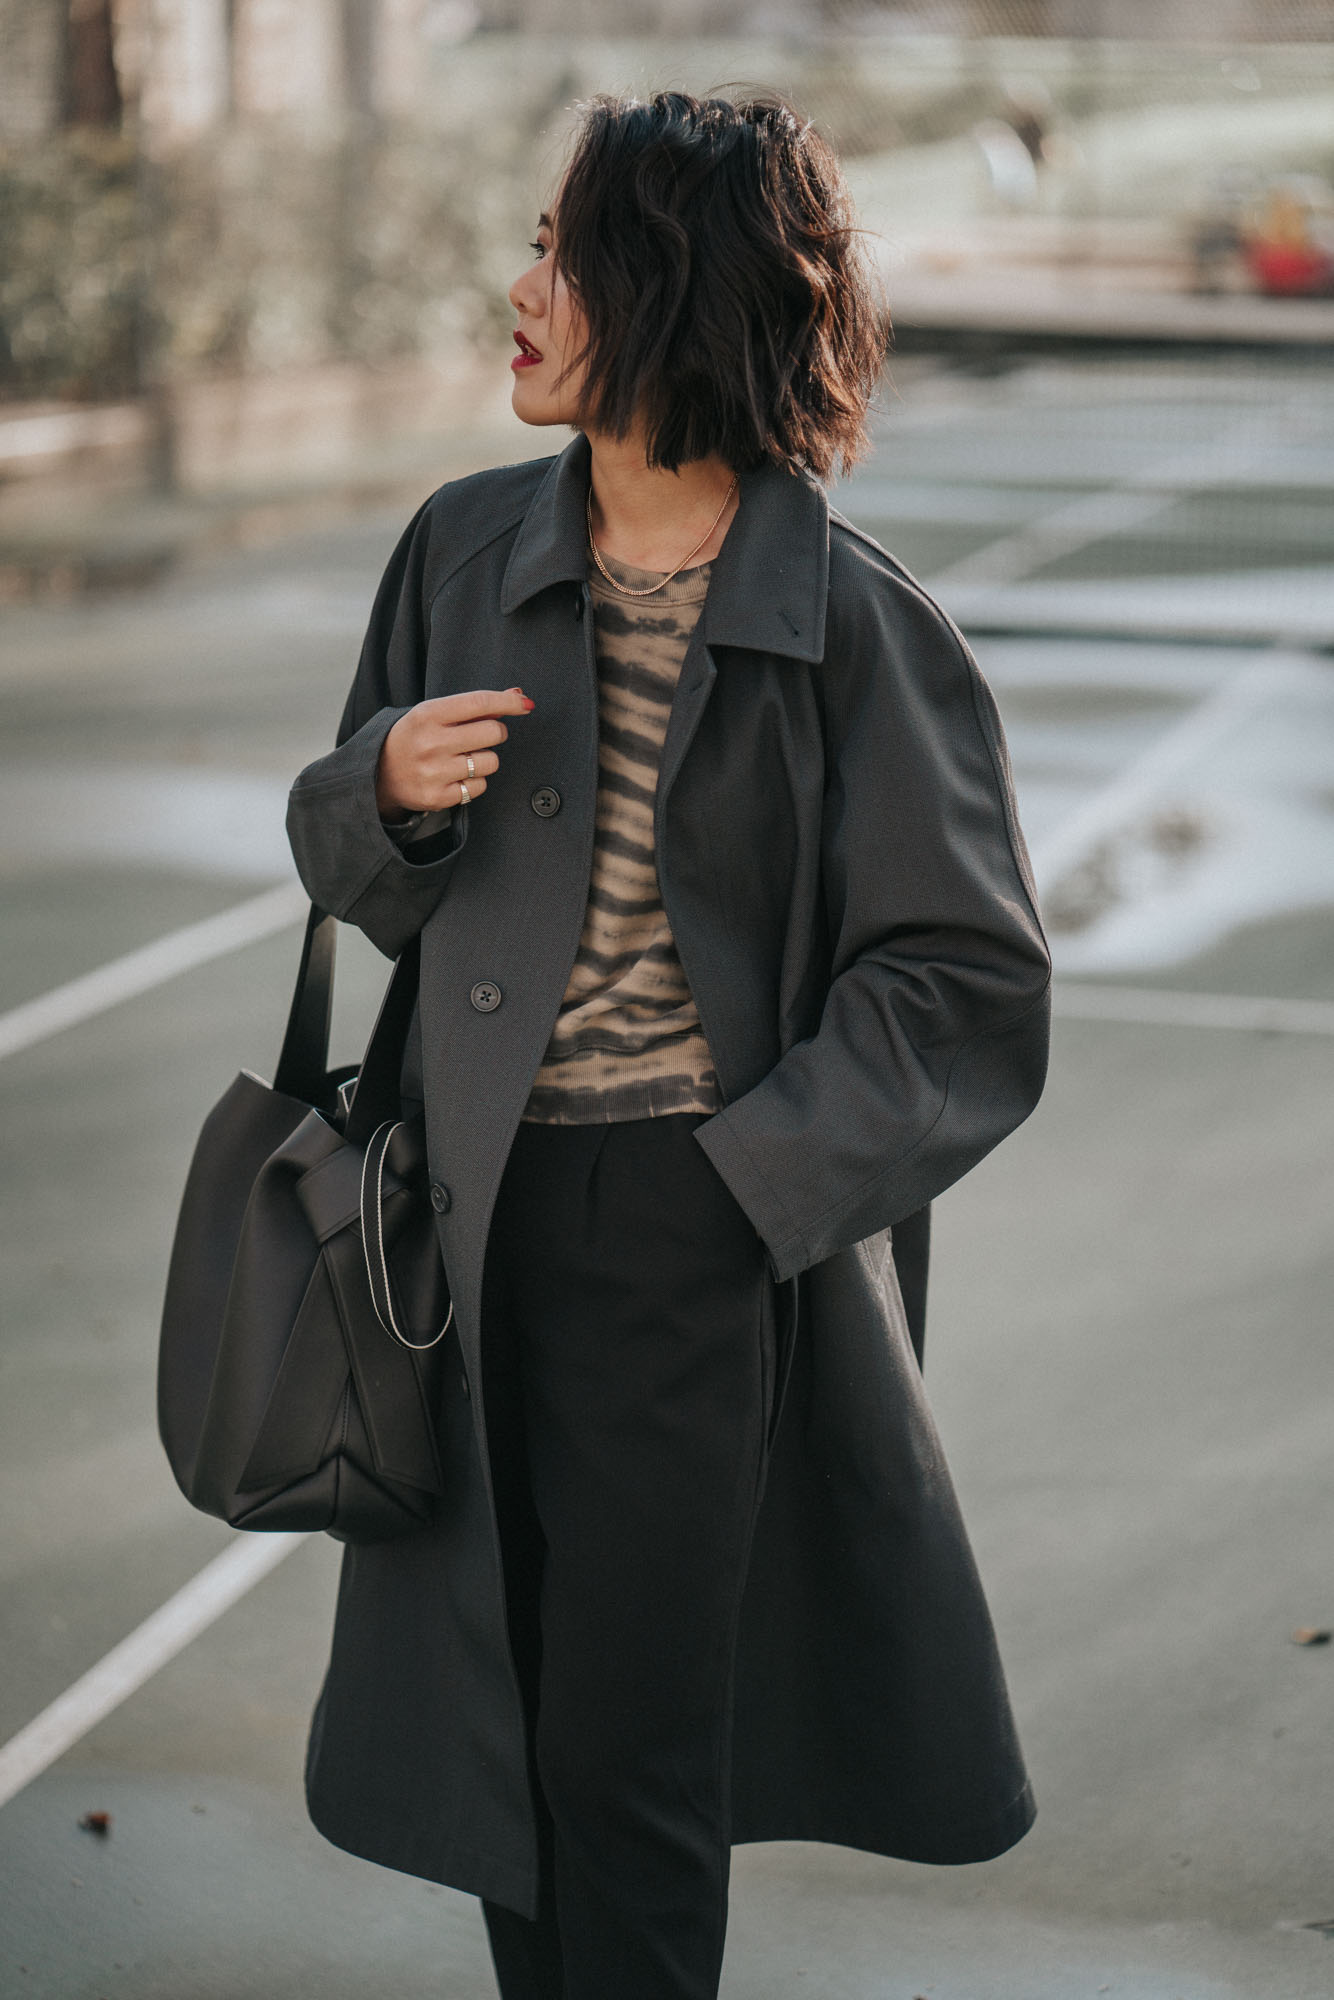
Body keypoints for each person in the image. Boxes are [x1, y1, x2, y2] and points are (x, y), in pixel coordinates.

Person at [286, 89, 1051, 2000]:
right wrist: (378, 791)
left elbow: (958, 982)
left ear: (662, 287)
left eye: (558, 249)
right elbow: (356, 877)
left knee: (626, 1768)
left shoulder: (864, 631)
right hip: (454, 1226)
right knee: (498, 1745)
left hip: (686, 1240)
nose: (520, 287)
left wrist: (741, 1194)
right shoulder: (461, 550)